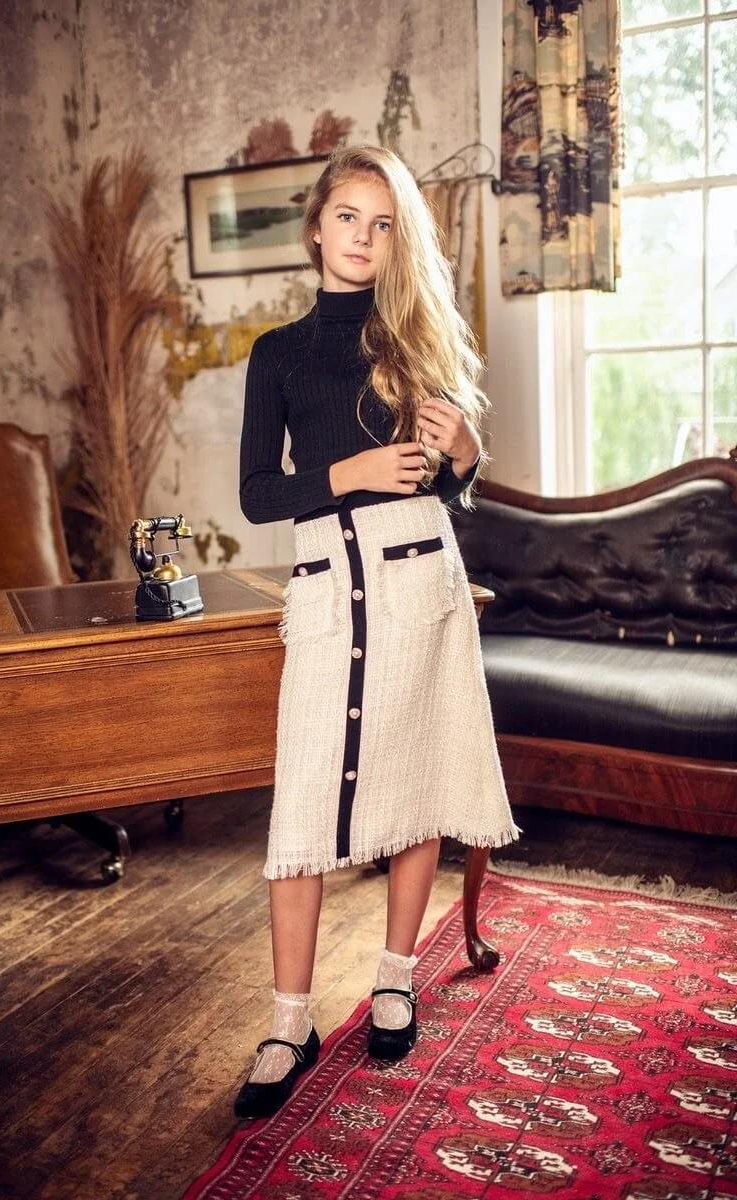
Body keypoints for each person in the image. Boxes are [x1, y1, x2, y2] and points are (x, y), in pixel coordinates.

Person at [234, 144, 519, 1120]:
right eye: (347, 217)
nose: (362, 237)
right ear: (316, 227)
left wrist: (466, 452)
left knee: (414, 781)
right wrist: (348, 475)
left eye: (383, 223)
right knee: (301, 810)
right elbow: (257, 494)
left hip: (418, 583)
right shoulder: (277, 354)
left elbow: (450, 486)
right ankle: (290, 1022)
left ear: (398, 241)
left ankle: (395, 977)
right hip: (327, 587)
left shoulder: (419, 339)